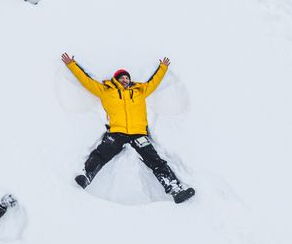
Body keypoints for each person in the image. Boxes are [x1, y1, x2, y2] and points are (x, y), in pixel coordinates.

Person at [61, 53, 195, 203]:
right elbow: (87, 82)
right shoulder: (106, 91)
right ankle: (87, 176)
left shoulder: (140, 91)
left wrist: (163, 67)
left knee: (155, 161)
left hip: (138, 134)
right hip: (117, 132)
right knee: (101, 154)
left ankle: (176, 189)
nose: (125, 80)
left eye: (127, 78)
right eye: (121, 78)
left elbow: (154, 82)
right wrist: (72, 65)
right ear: (116, 80)